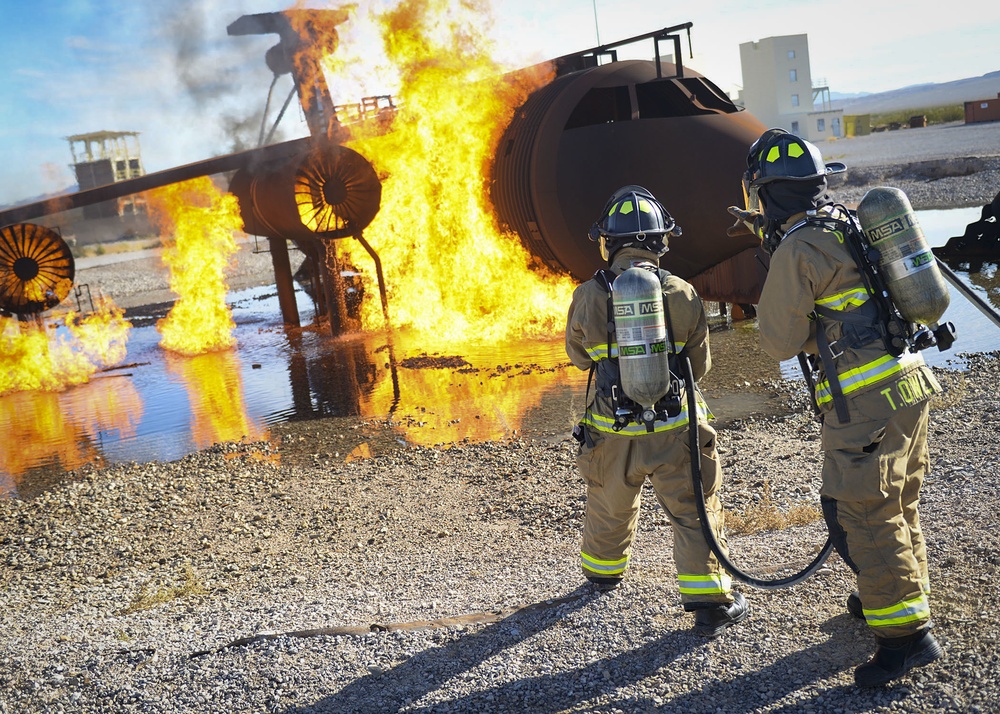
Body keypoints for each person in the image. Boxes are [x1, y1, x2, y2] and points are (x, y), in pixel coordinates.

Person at [729, 129, 944, 686]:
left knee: (864, 513)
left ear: (767, 193)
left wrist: (778, 273)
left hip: (865, 402)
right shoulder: (848, 222)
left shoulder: (798, 247)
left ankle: (904, 638)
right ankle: (900, 597)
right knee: (899, 499)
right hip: (910, 382)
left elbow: (778, 340)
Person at [566, 185, 748, 639]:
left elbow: (580, 358)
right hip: (675, 429)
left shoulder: (588, 294)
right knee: (692, 509)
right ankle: (710, 603)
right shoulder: (681, 291)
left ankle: (603, 573)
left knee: (609, 502)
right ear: (662, 241)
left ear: (607, 242)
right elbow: (699, 364)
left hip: (611, 431)